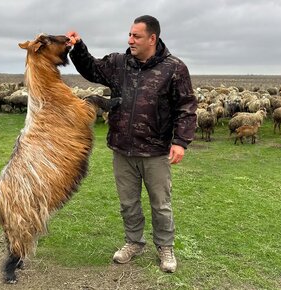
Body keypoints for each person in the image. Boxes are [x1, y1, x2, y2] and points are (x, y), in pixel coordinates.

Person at [67, 15, 197, 273]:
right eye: (129, 34)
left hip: (155, 151)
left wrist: (181, 141)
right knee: (128, 202)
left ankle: (165, 247)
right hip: (122, 148)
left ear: (152, 38)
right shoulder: (118, 63)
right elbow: (91, 69)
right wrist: (78, 47)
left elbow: (186, 107)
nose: (130, 40)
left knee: (160, 203)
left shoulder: (174, 69)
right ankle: (134, 242)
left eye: (136, 36)